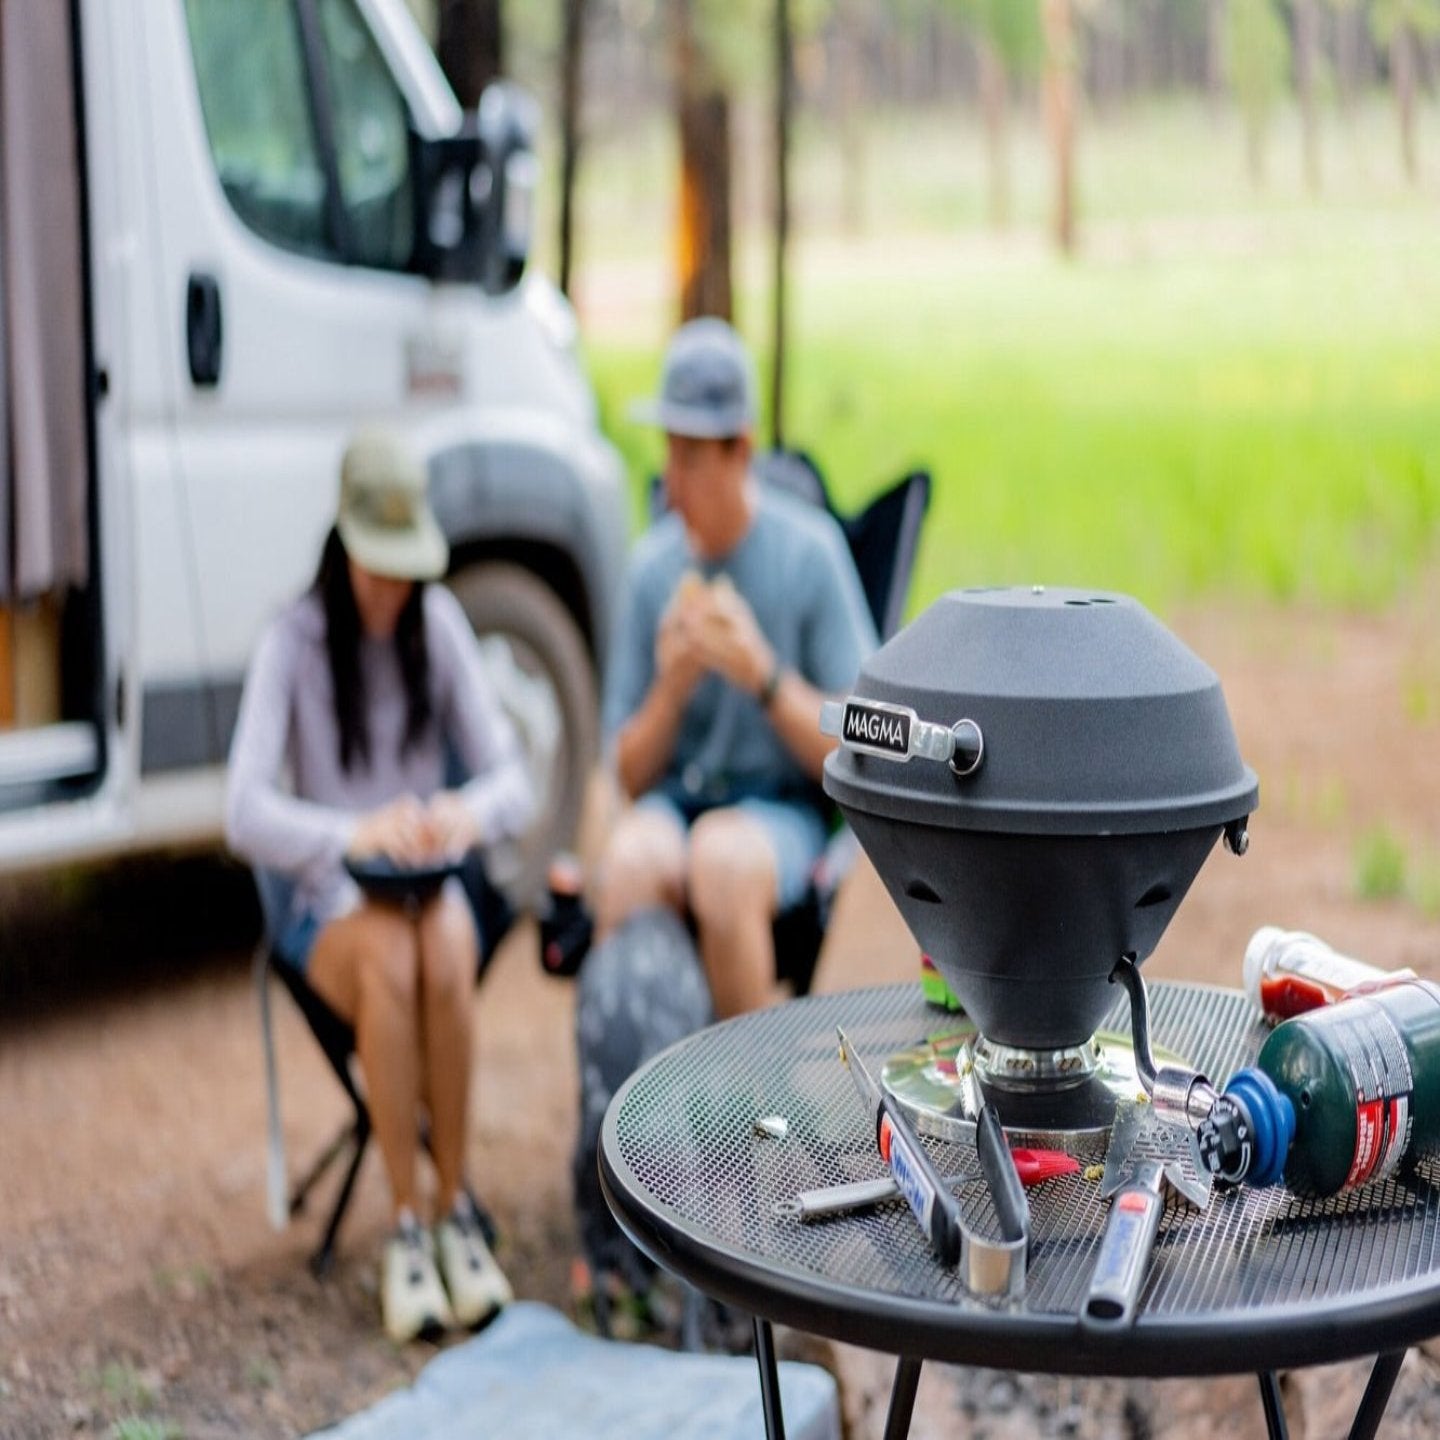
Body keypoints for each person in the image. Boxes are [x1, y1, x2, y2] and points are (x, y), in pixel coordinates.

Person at [225, 426, 534, 1344]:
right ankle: (408, 1225)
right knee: (399, 957)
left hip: (428, 899)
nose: (394, 587)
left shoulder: (436, 625)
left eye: (408, 567)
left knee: (437, 938)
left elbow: (514, 780)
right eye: (378, 567)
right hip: (330, 912)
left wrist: (457, 815)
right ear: (346, 544)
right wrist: (352, 831)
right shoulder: (292, 639)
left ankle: (451, 1212)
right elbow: (240, 812)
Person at [596, 318, 878, 1019]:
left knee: (720, 864)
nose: (672, 480)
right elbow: (626, 775)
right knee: (627, 864)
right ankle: (623, 1107)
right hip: (675, 800)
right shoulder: (653, 568)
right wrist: (671, 688)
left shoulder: (808, 556)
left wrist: (765, 677)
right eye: (668, 449)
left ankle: (742, 1114)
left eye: (692, 456)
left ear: (741, 450)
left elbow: (866, 751)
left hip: (778, 810)